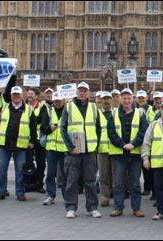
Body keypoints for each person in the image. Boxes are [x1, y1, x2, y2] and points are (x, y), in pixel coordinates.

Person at [60, 82, 102, 219]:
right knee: (72, 181)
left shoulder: (94, 107)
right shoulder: (69, 107)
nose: (82, 93)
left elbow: (98, 128)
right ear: (76, 92)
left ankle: (92, 208)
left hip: (89, 151)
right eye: (80, 90)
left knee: (90, 181)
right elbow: (63, 128)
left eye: (85, 90)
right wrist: (70, 147)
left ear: (88, 92)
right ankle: (71, 207)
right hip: (74, 151)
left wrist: (95, 145)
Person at [0, 86, 37, 201]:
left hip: (20, 145)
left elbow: (33, 128)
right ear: (11, 96)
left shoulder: (29, 110)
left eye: (18, 94)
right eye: (14, 94)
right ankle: (0, 192)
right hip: (4, 145)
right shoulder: (3, 108)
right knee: (1, 169)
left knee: (20, 170)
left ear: (22, 96)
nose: (16, 96)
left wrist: (32, 141)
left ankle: (20, 192)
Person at [107, 88, 148, 218]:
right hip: (119, 153)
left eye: (129, 98)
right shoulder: (113, 114)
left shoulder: (140, 114)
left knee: (135, 183)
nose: (126, 100)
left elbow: (144, 131)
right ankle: (118, 208)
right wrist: (122, 144)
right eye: (124, 98)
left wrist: (133, 144)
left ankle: (136, 208)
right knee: (118, 183)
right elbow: (111, 132)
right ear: (120, 99)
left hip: (134, 153)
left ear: (133, 99)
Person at [41, 92, 67, 206]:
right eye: (55, 101)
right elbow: (43, 127)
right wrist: (49, 128)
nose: (57, 103)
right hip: (51, 148)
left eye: (59, 101)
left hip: (64, 147)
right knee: (50, 173)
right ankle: (50, 195)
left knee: (65, 174)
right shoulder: (49, 111)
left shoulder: (68, 111)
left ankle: (67, 196)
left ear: (63, 101)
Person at [27, 88, 46, 193]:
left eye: (31, 94)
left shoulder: (42, 107)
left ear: (37, 96)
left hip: (39, 139)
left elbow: (41, 120)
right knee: (27, 163)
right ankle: (28, 183)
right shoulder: (23, 106)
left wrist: (30, 118)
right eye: (28, 94)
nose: (29, 95)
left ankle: (40, 184)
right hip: (26, 139)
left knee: (41, 162)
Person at [97, 91, 115, 207]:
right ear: (100, 101)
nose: (106, 101)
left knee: (115, 174)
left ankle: (117, 196)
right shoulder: (96, 114)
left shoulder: (117, 113)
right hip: (101, 149)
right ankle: (104, 197)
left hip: (115, 149)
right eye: (104, 99)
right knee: (103, 175)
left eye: (108, 98)